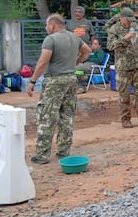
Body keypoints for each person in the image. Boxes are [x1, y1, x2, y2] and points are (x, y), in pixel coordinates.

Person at [26, 14, 91, 163]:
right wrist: (75, 62)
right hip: (71, 79)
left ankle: (42, 155)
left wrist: (32, 81)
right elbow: (87, 51)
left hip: (55, 80)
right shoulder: (74, 38)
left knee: (47, 116)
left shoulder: (51, 39)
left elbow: (43, 62)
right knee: (67, 116)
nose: (46, 28)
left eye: (47, 26)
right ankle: (64, 150)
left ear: (52, 25)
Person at [106, 8, 138, 128]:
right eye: (128, 20)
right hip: (123, 67)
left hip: (137, 65)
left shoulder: (135, 27)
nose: (130, 22)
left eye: (131, 20)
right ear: (121, 18)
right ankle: (125, 119)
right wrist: (125, 38)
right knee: (124, 95)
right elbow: (110, 46)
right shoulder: (114, 29)